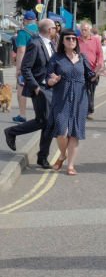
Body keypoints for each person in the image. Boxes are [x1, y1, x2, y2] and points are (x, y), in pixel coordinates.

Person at [5, 18, 57, 168]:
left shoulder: (51, 44)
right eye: (54, 27)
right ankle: (42, 156)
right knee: (47, 121)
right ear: (48, 30)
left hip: (50, 87)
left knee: (44, 121)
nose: (56, 30)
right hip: (40, 89)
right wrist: (35, 87)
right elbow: (25, 68)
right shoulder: (35, 44)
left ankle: (13, 132)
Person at [44, 29, 95, 175]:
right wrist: (52, 81)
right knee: (61, 131)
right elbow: (48, 78)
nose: (72, 40)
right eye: (68, 38)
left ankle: (70, 165)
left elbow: (90, 76)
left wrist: (97, 73)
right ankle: (62, 154)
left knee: (74, 133)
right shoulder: (56, 58)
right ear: (63, 41)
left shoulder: (82, 58)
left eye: (74, 38)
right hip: (61, 98)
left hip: (80, 98)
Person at [11, 12, 39, 122]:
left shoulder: (23, 32)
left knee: (21, 89)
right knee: (38, 88)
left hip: (27, 65)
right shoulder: (41, 29)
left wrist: (19, 69)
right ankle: (40, 115)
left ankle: (22, 115)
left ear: (25, 20)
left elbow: (21, 51)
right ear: (35, 19)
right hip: (39, 65)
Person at [77, 20, 106, 119]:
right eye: (82, 30)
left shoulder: (95, 40)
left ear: (90, 30)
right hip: (80, 70)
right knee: (80, 90)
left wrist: (99, 65)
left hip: (92, 70)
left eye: (85, 30)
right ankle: (83, 110)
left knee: (90, 91)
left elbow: (100, 54)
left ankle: (89, 110)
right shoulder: (76, 40)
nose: (83, 31)